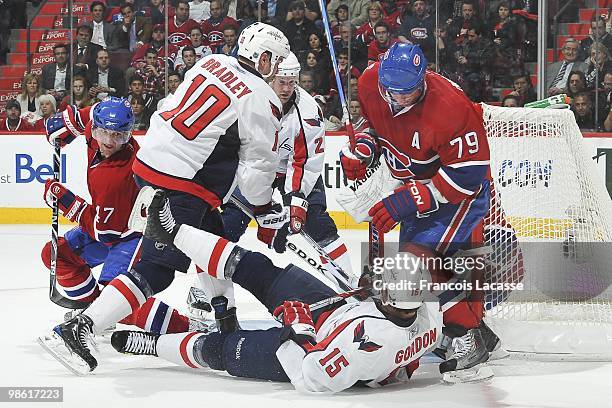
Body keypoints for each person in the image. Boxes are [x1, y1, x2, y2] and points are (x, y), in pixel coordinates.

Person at [42, 22, 291, 373]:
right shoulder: (261, 98)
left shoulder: (211, 62)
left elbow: (169, 105)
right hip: (184, 181)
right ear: (263, 57)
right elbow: (259, 164)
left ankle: (225, 320)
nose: (276, 68)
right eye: (275, 60)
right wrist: (265, 210)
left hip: (153, 163)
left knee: (213, 244)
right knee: (156, 270)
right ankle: (84, 326)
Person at [109, 189, 483, 393]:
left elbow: (317, 378)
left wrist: (300, 332)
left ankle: (153, 345)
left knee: (220, 350)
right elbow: (441, 312)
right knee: (258, 269)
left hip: (307, 350)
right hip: (336, 313)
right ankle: (173, 232)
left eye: (383, 287)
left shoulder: (368, 344)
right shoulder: (423, 310)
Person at [339, 43, 493, 360]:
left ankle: (469, 337)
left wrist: (411, 199)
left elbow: (469, 175)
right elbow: (371, 122)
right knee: (409, 270)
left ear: (422, 79)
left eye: (407, 92)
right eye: (391, 90)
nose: (397, 99)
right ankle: (463, 330)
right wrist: (365, 147)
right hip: (414, 189)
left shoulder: (450, 107)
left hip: (459, 198)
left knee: (412, 267)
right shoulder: (370, 81)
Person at [222, 52, 356, 279]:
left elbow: (305, 159)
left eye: (291, 82)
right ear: (270, 78)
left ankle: (349, 280)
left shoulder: (308, 109)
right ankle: (209, 292)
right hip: (256, 166)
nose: (286, 89)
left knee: (316, 222)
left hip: (293, 170)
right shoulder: (250, 98)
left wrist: (297, 200)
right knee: (228, 225)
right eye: (281, 82)